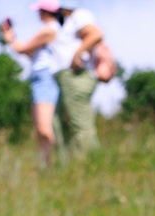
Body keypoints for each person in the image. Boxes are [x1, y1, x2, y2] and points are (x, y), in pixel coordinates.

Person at [0, 1, 76, 168]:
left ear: (46, 11)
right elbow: (29, 53)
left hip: (45, 78)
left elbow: (22, 49)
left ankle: (58, 164)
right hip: (39, 77)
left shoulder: (49, 29)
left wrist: (10, 37)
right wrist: (13, 38)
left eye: (39, 11)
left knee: (44, 129)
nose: (37, 14)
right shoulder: (49, 29)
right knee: (40, 130)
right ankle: (47, 166)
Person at [52, 9, 117, 157]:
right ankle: (69, 166)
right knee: (59, 123)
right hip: (68, 77)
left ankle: (93, 165)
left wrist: (77, 54)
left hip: (76, 77)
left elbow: (96, 34)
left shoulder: (79, 15)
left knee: (80, 125)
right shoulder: (70, 20)